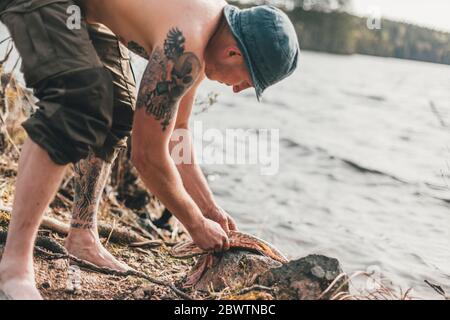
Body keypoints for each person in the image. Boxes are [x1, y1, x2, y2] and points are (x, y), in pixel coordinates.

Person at [0, 0, 300, 299]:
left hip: (82, 10)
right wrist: (195, 224)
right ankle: (14, 265)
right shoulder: (187, 45)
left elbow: (177, 133)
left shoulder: (204, 38)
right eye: (247, 81)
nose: (237, 89)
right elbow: (147, 156)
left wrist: (209, 208)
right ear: (233, 52)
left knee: (118, 110)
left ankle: (82, 235)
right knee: (78, 101)